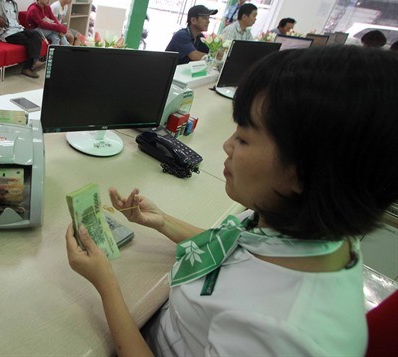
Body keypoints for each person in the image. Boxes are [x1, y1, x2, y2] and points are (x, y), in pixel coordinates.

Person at [66, 44, 398, 356]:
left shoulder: (281, 335)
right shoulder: (304, 227)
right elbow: (235, 247)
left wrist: (106, 282)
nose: (227, 145)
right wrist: (162, 221)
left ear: (302, 173)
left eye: (243, 137)